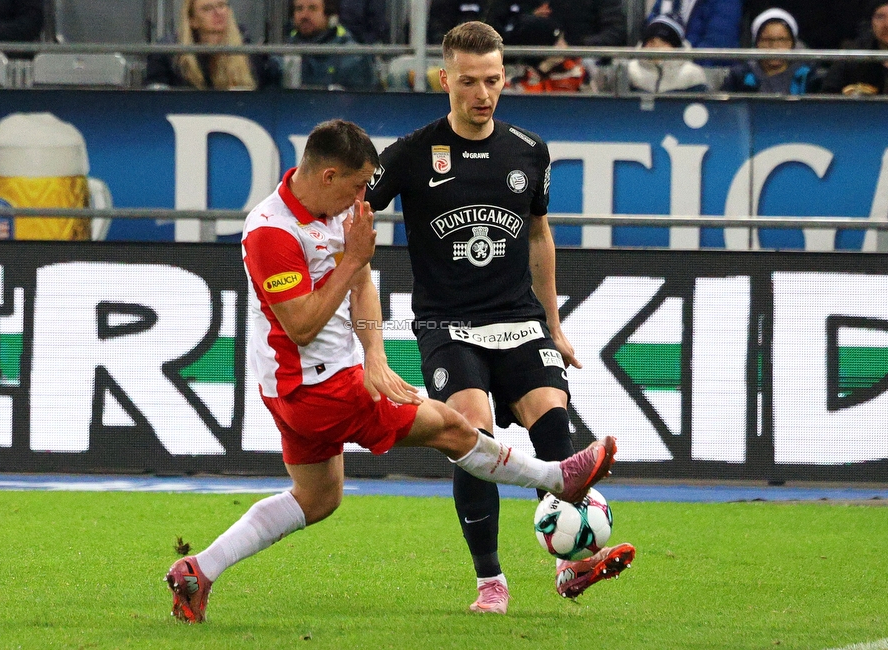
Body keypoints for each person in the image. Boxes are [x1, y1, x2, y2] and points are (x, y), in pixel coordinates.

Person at [165, 118, 619, 623]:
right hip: (317, 387)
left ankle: (198, 570)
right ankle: (558, 478)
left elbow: (361, 285)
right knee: (453, 427)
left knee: (318, 498)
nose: (367, 197)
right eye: (360, 186)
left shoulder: (338, 211)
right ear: (329, 176)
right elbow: (302, 325)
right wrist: (352, 260)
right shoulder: (272, 232)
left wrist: (375, 357)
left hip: (308, 385)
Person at [364, 22, 636, 615]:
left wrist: (553, 325)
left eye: (492, 80)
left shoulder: (528, 149)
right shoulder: (411, 154)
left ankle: (571, 565)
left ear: (505, 77)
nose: (482, 94)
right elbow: (354, 217)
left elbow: (539, 235)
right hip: (448, 324)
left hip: (517, 319)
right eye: (468, 82)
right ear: (445, 80)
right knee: (473, 428)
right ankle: (491, 579)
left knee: (554, 421)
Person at [146, 0, 276, 91]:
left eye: (222, 5)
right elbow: (156, 98)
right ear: (192, 20)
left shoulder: (249, 52)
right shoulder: (168, 54)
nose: (218, 12)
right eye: (207, 8)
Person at [285, 0, 379, 90]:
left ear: (329, 14)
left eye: (312, 8)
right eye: (299, 8)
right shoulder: (282, 53)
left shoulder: (354, 57)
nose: (304, 15)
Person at [721, 8, 819, 94]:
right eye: (767, 40)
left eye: (782, 40)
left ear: (792, 43)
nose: (775, 46)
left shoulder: (809, 78)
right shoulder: (739, 78)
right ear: (756, 43)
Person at [822, 0, 888, 96]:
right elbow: (827, 97)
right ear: (871, 23)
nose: (887, 24)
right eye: (880, 17)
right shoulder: (852, 57)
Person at [487, 0, 627, 48]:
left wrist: (574, 47)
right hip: (531, 62)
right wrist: (529, 19)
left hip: (584, 64)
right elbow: (499, 29)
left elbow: (615, 32)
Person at [503, 16, 589, 93]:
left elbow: (590, 103)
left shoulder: (576, 72)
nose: (565, 46)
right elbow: (525, 104)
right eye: (558, 42)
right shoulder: (514, 75)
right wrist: (541, 71)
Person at [626, 14, 709, 92]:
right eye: (651, 42)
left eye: (663, 42)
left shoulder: (692, 74)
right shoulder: (629, 71)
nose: (655, 48)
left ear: (676, 47)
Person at [646, 0, 742, 53]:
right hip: (662, 66)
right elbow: (649, 30)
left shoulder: (725, 3)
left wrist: (679, 63)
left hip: (703, 73)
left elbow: (717, 45)